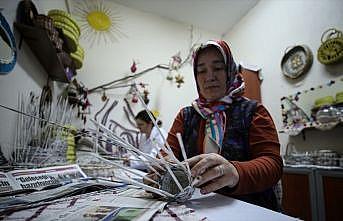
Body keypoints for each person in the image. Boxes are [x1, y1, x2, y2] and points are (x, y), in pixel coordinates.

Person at [150, 40, 283, 211]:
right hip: (197, 208)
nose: (209, 77)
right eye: (201, 71)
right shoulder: (186, 116)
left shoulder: (253, 111)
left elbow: (273, 165)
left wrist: (235, 172)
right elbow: (166, 155)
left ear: (230, 71)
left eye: (218, 68)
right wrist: (160, 170)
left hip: (249, 208)